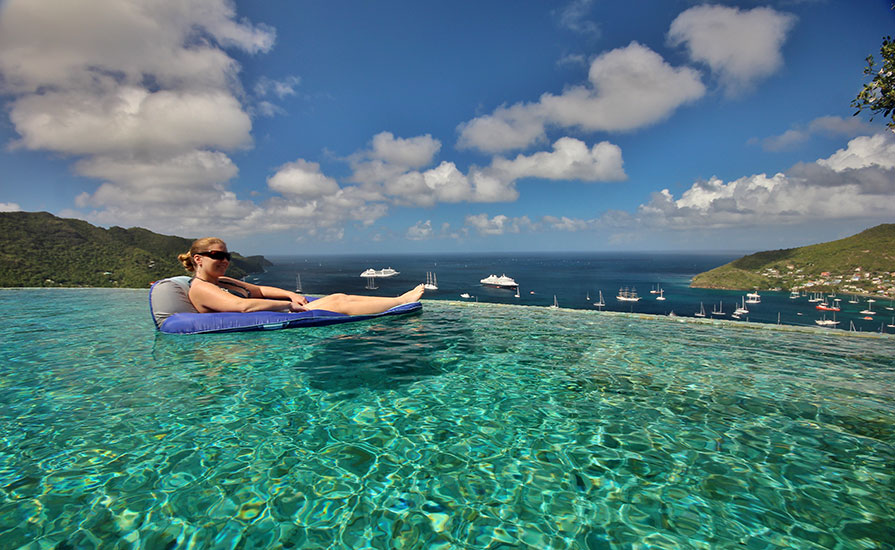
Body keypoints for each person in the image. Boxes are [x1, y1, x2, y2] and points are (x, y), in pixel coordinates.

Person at [177, 237, 424, 315]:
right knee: (338, 303)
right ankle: (401, 301)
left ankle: (399, 300)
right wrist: (288, 305)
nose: (225, 261)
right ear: (199, 259)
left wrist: (289, 293)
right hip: (270, 320)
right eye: (217, 256)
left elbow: (258, 291)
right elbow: (242, 306)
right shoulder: (200, 288)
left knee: (338, 296)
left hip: (278, 311)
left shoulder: (223, 281)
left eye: (227, 256)